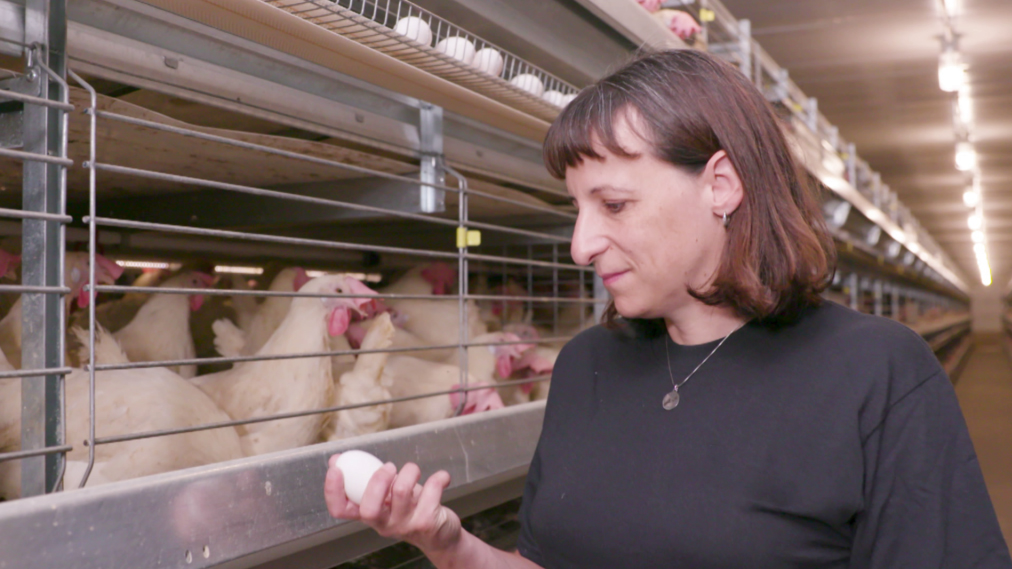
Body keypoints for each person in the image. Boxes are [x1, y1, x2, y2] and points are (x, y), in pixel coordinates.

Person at [324, 49, 1012, 568]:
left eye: (614, 204)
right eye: (577, 208)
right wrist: (448, 540)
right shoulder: (587, 366)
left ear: (721, 184)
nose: (580, 245)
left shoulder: (877, 372)